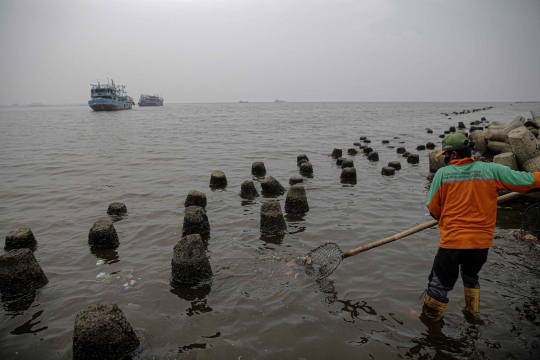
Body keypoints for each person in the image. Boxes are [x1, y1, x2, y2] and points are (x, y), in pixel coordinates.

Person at [422, 133, 540, 321]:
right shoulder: (491, 170)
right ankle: (472, 314)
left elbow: (433, 208)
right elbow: (527, 181)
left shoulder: (443, 174)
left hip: (453, 243)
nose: (444, 158)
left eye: (445, 154)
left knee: (438, 286)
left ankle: (430, 324)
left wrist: (443, 217)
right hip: (481, 244)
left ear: (453, 155)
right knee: (471, 277)